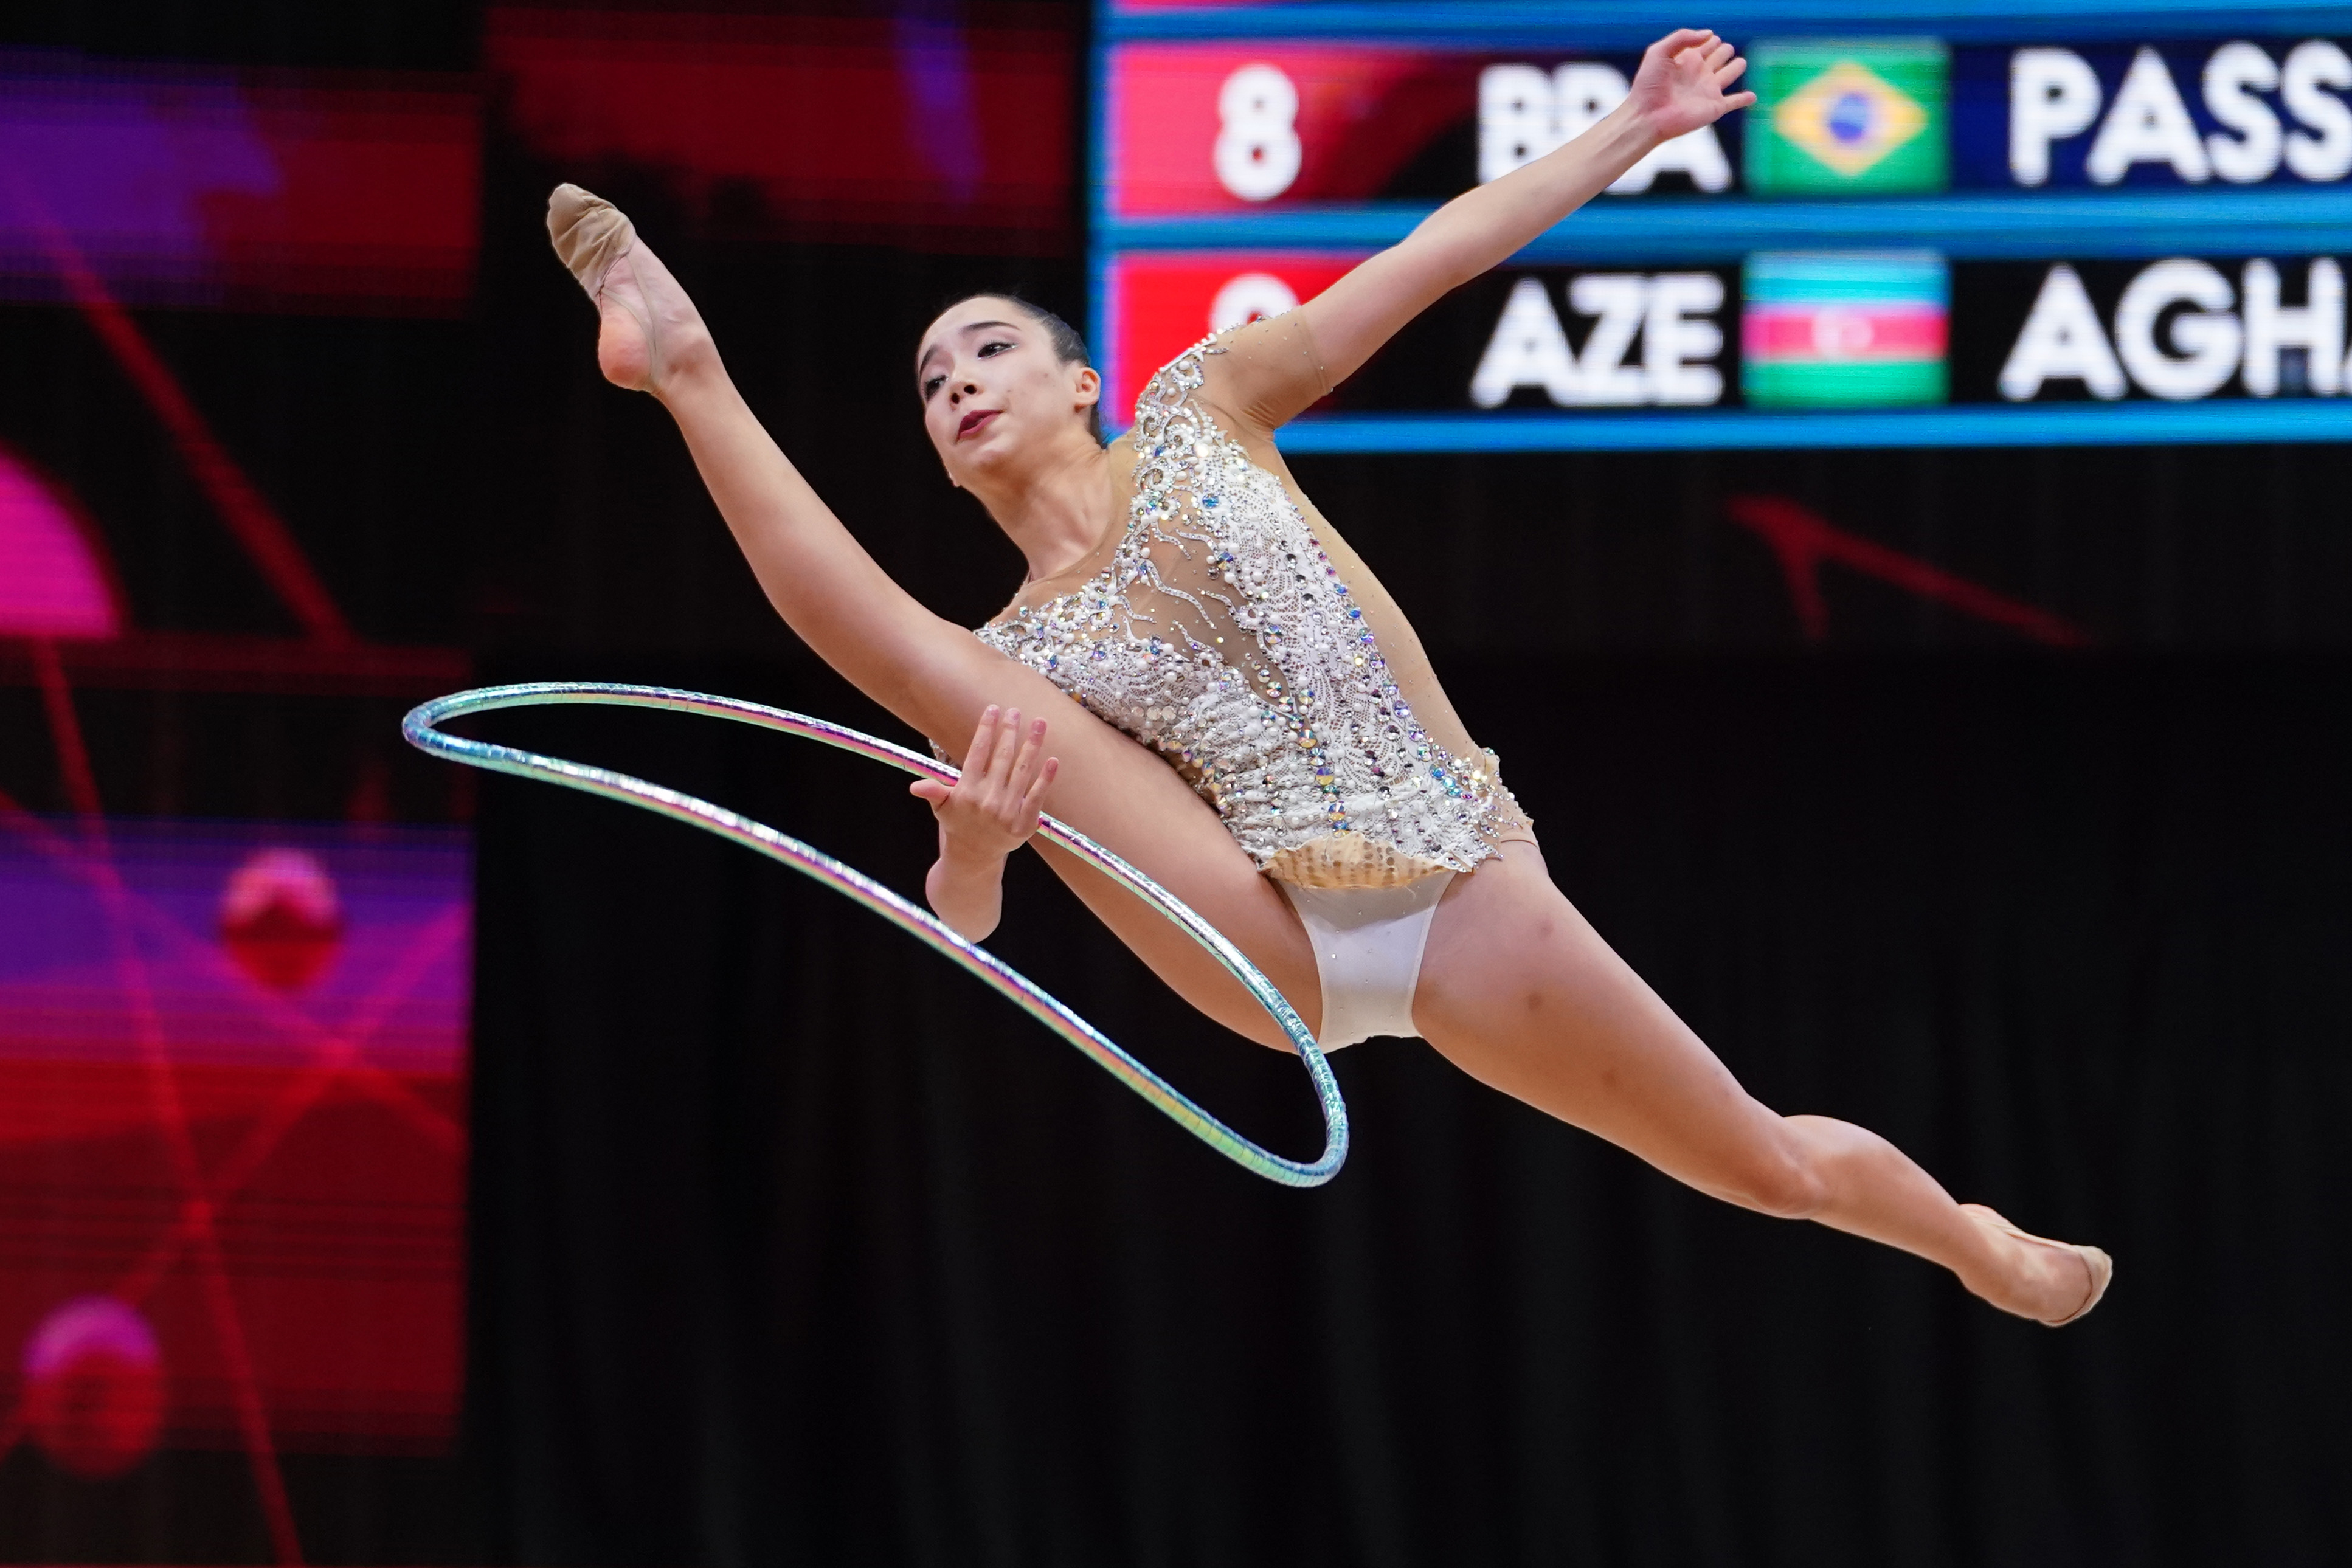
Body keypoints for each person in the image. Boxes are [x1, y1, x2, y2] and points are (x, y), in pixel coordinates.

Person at [543, 28, 2109, 1325]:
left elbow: (1427, 259)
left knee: (1765, 1165)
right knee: (958, 688)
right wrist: (977, 846)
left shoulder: (1202, 405)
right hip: (1266, 942)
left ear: (1078, 380)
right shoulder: (1012, 656)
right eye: (931, 379)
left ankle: (1975, 1242)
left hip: (1457, 885)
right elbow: (968, 928)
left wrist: (1628, 129)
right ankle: (684, 363)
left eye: (986, 351)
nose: (953, 381)